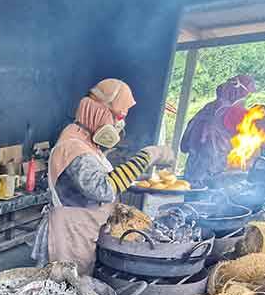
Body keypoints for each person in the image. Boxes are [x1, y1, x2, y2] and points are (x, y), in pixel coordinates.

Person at [32, 78, 173, 274]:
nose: (119, 124)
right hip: (69, 237)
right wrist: (148, 156)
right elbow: (103, 189)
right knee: (63, 293)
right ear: (99, 112)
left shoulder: (87, 142)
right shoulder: (72, 146)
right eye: (116, 117)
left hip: (82, 233)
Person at [180, 74, 256, 183]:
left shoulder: (210, 106)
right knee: (204, 196)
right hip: (211, 170)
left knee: (190, 193)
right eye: (247, 94)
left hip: (193, 166)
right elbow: (256, 136)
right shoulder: (235, 112)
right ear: (240, 93)